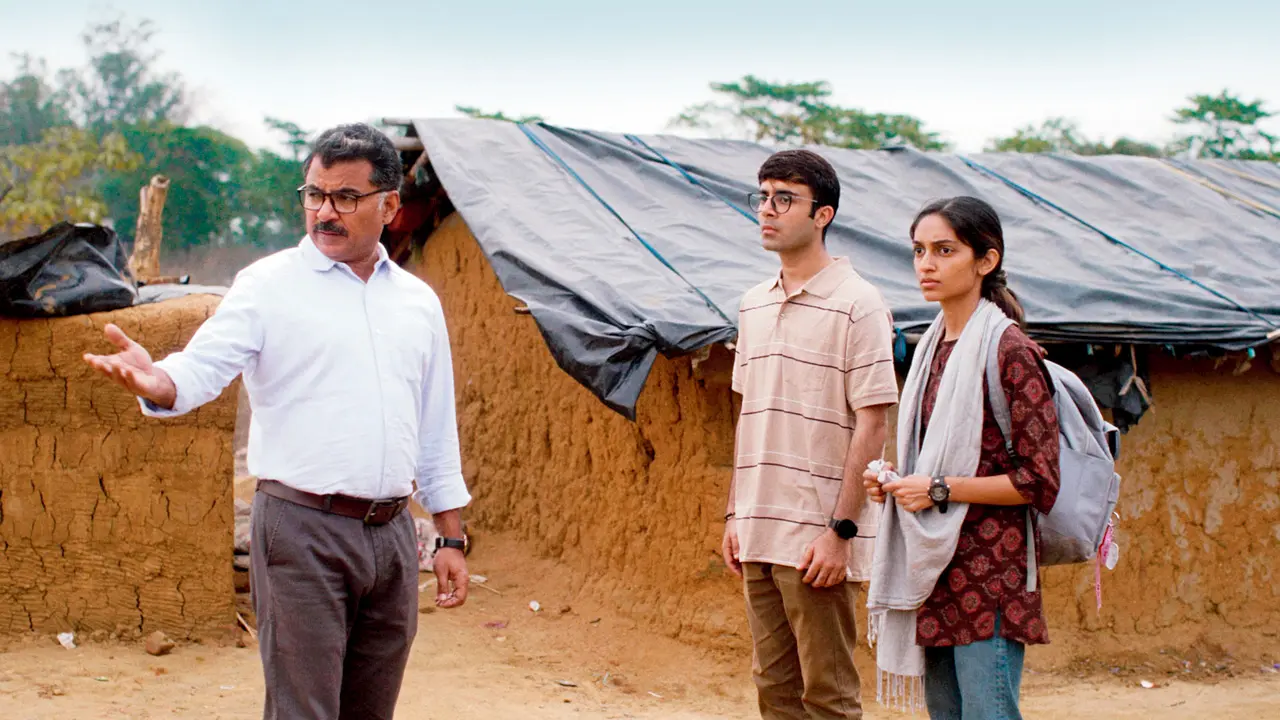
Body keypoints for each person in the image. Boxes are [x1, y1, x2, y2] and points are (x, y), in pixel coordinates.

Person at [83, 123, 471, 720]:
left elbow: (434, 425)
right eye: (314, 194)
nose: (324, 212)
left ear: (390, 205)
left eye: (346, 197)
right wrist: (161, 381)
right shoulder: (268, 286)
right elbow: (205, 365)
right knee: (303, 710)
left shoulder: (417, 302)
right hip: (301, 529)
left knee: (372, 708)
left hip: (393, 536)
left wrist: (448, 536)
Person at [862, 196, 1060, 720]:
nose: (926, 264)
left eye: (944, 250)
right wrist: (897, 482)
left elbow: (1039, 482)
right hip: (934, 568)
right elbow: (935, 460)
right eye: (919, 250)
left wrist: (939, 489)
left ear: (985, 260)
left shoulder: (1008, 350)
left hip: (989, 573)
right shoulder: (930, 347)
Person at [724, 149, 899, 720]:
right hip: (758, 528)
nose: (767, 210)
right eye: (763, 196)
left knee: (827, 696)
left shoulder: (859, 304)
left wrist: (840, 532)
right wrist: (735, 515)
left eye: (785, 199)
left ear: (822, 215)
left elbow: (874, 422)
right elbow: (750, 415)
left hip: (818, 537)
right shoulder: (752, 304)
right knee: (773, 692)